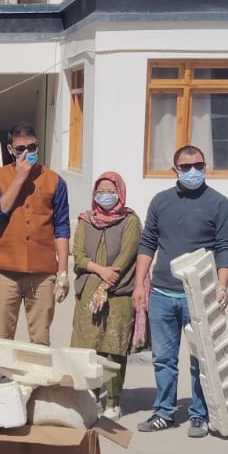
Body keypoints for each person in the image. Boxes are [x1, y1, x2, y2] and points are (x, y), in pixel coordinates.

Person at [134, 145, 228, 437]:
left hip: (199, 296)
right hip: (163, 294)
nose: (193, 172)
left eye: (199, 165)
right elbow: (148, 243)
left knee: (200, 359)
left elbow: (226, 246)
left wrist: (222, 286)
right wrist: (140, 284)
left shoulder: (219, 204)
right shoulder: (161, 201)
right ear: (174, 170)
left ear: (206, 167)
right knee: (164, 359)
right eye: (186, 167)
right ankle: (164, 411)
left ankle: (199, 414)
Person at [0, 122, 71, 346]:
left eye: (31, 148)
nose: (27, 154)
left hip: (42, 271)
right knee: (2, 335)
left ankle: (38, 381)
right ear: (10, 151)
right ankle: (2, 376)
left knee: (40, 337)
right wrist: (18, 179)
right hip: (7, 270)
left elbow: (61, 227)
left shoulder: (55, 181)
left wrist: (63, 271)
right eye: (20, 149)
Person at [70, 172, 141, 421]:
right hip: (89, 289)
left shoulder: (130, 220)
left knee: (113, 348)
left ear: (120, 192)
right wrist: (99, 270)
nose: (105, 195)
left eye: (111, 190)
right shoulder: (86, 220)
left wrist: (109, 280)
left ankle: (113, 401)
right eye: (101, 190)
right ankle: (89, 396)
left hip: (119, 290)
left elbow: (128, 254)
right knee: (87, 346)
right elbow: (77, 254)